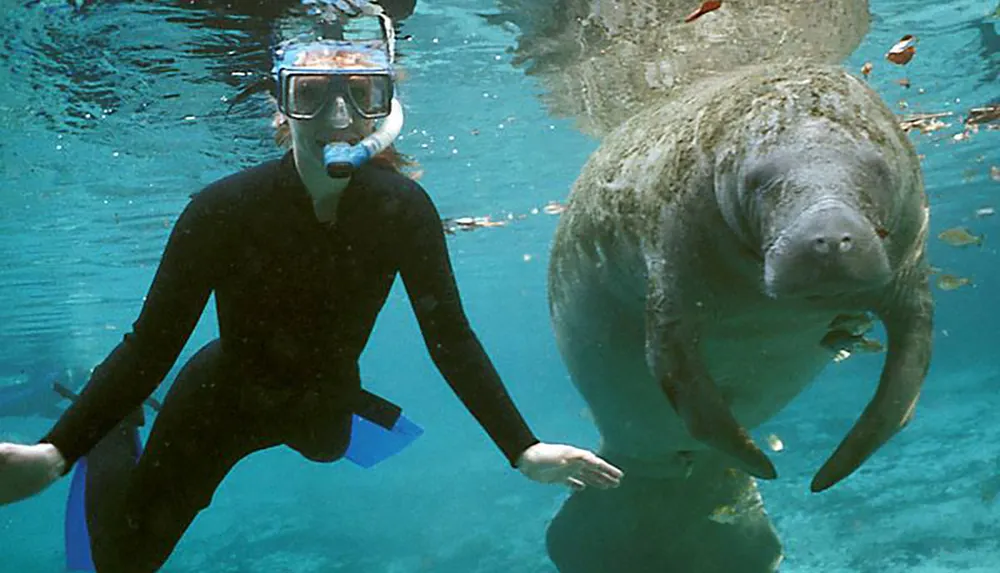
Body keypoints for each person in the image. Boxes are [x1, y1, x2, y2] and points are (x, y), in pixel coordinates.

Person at [0, 8, 623, 572]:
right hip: (220, 401)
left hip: (323, 403)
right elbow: (150, 347)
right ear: (282, 106)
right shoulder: (221, 211)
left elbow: (450, 339)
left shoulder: (403, 211)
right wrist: (55, 453)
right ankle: (114, 432)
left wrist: (524, 449)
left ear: (386, 109)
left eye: (362, 96)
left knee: (327, 446)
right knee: (121, 564)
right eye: (312, 97)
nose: (339, 119)